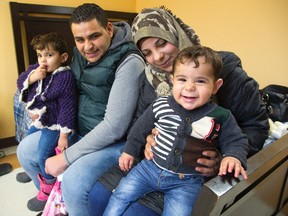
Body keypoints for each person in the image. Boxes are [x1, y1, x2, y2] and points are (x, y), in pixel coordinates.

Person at [88, 7, 269, 216]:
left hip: (190, 176)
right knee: (99, 195)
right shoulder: (148, 81)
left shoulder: (225, 73)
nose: (157, 57)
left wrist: (225, 157)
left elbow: (254, 128)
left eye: (161, 43)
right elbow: (138, 125)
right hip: (152, 165)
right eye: (147, 53)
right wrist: (146, 141)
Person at [16, 3, 145, 215]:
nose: (87, 47)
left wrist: (64, 158)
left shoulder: (129, 62)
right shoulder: (79, 55)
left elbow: (114, 127)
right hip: (79, 128)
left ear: (109, 29)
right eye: (80, 39)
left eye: (94, 36)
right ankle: (55, 202)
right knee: (25, 150)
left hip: (114, 141)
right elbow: (65, 88)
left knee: (74, 181)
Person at [103, 45, 249, 216]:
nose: (190, 87)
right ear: (172, 81)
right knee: (120, 195)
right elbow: (139, 130)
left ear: (216, 86)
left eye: (200, 81)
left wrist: (232, 156)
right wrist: (129, 152)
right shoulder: (161, 104)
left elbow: (236, 140)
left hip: (187, 182)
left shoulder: (221, 116)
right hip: (148, 169)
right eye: (182, 79)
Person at [16, 32, 77, 211]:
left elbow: (68, 107)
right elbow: (21, 82)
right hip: (43, 119)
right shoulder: (38, 68)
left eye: (49, 55)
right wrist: (33, 77)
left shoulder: (64, 77)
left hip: (56, 124)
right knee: (26, 138)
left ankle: (48, 184)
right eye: (40, 55)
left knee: (43, 153)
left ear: (63, 57)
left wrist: (64, 135)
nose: (43, 60)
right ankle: (33, 172)